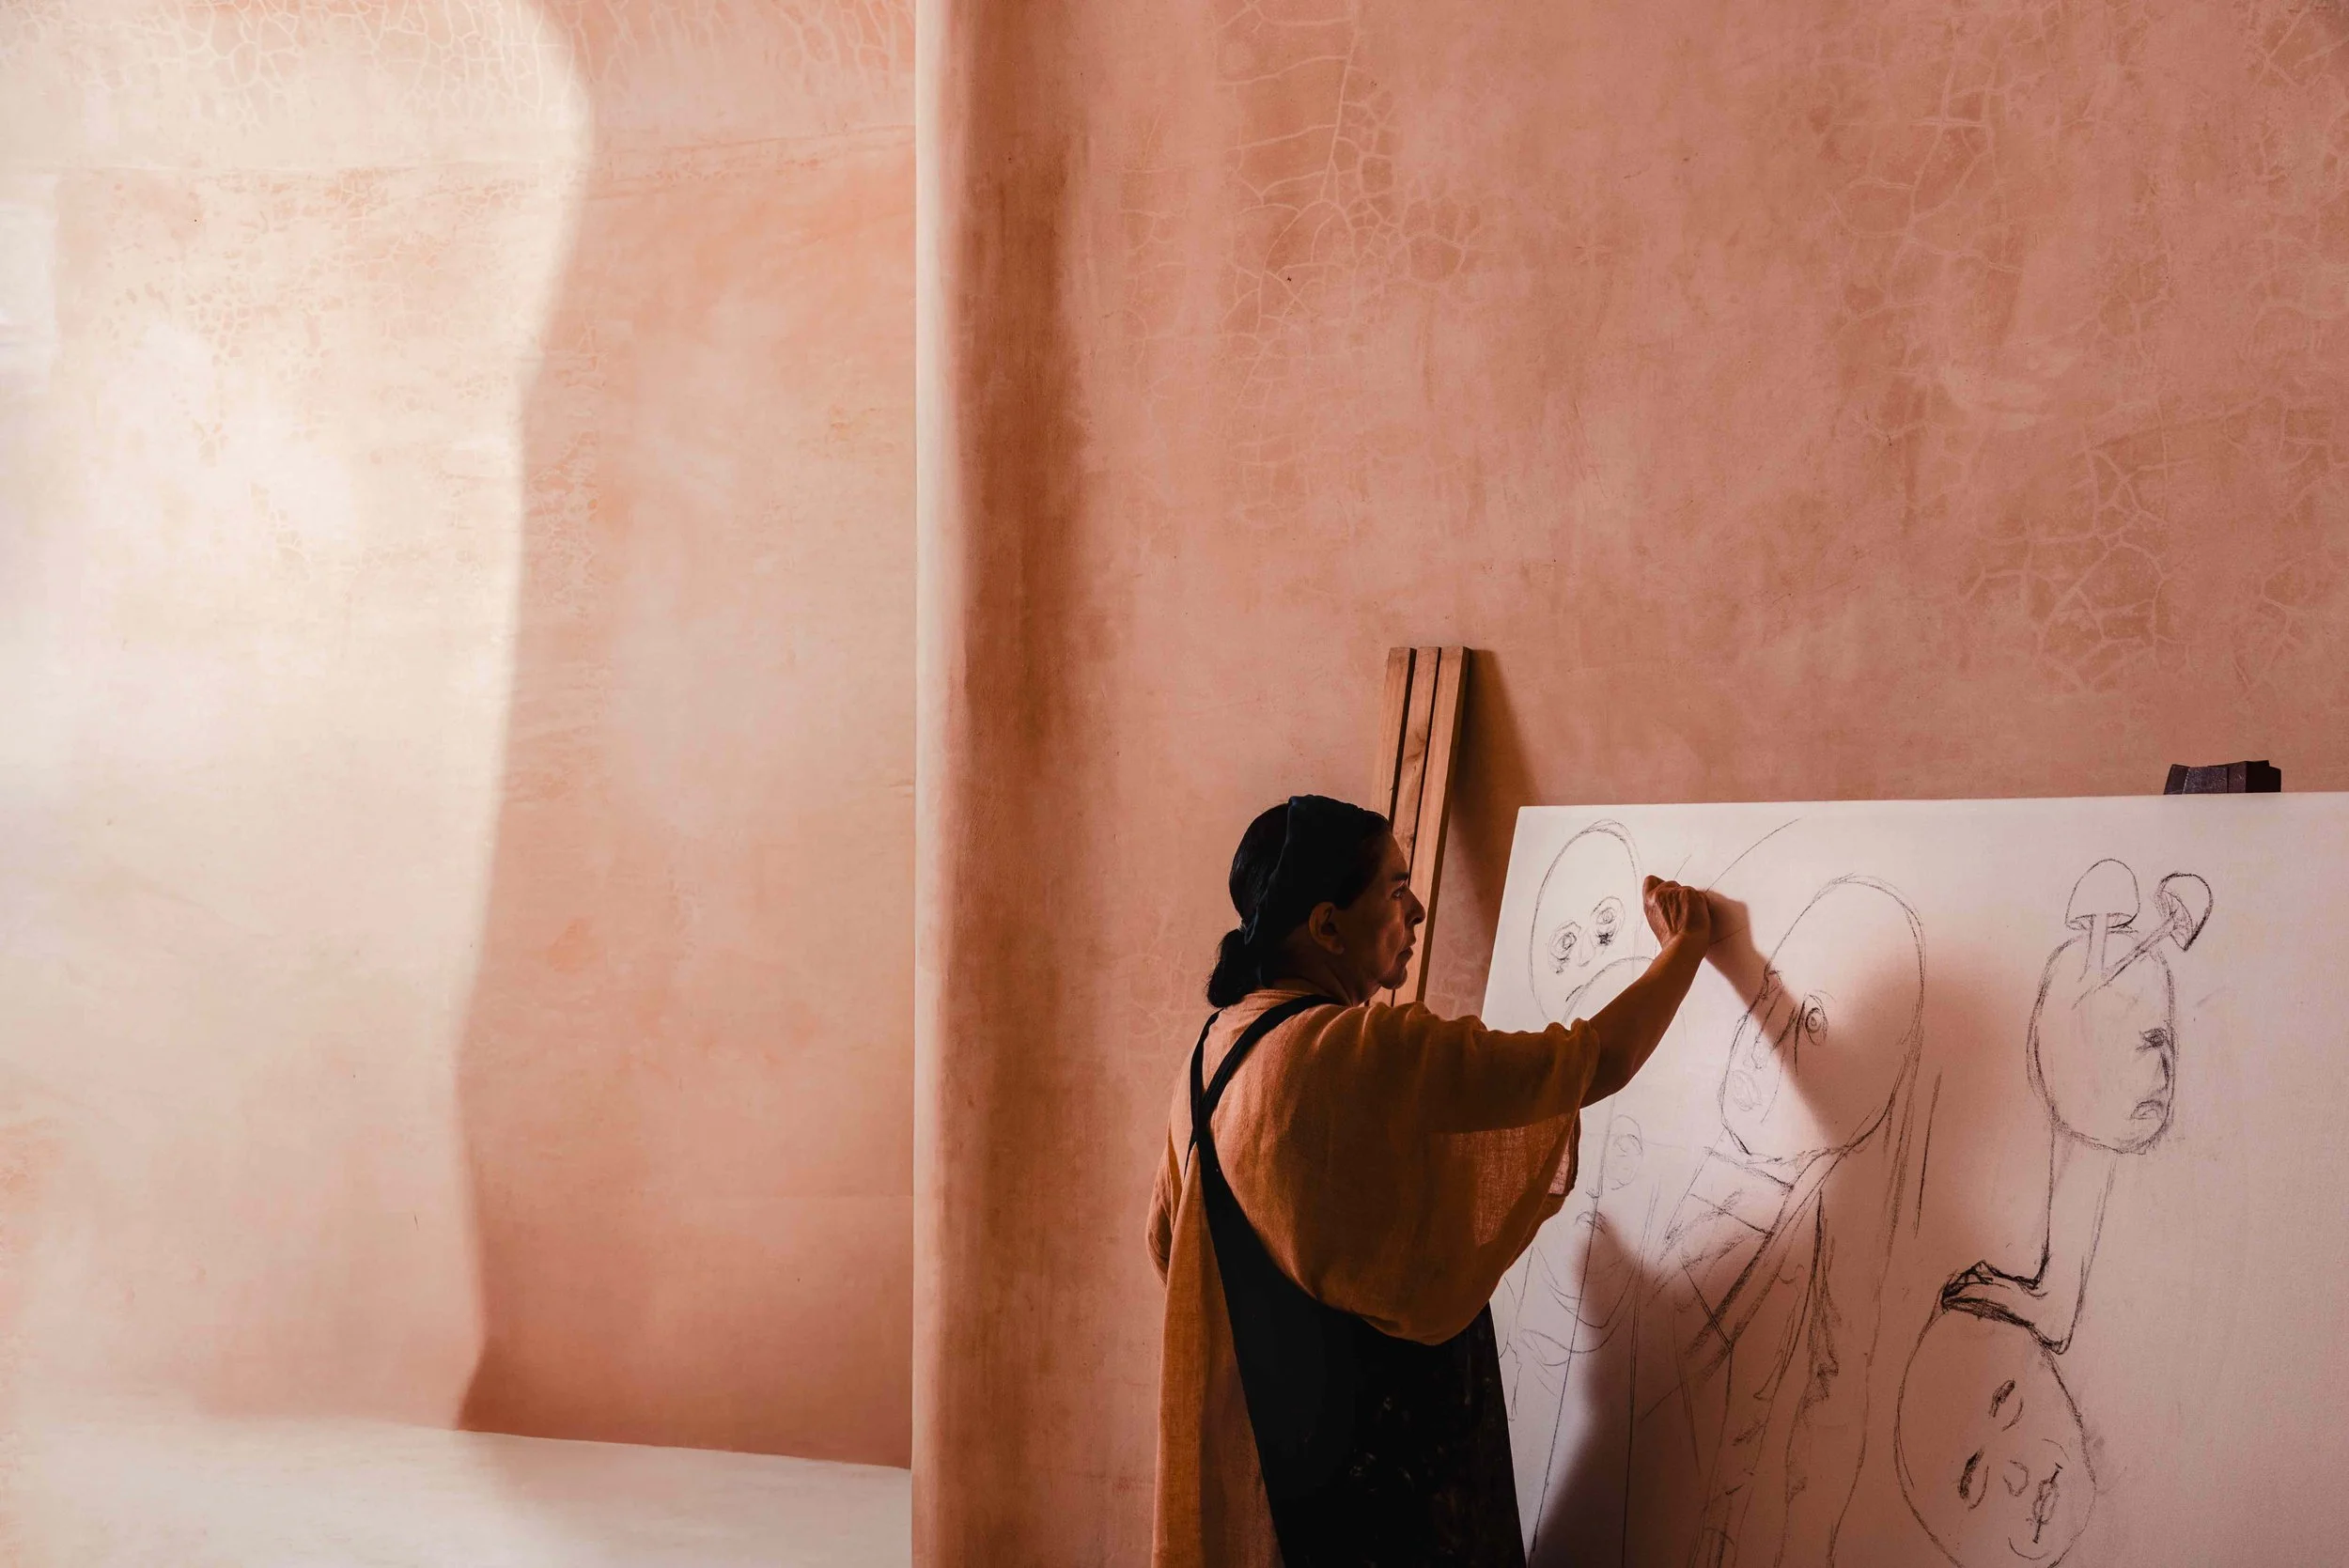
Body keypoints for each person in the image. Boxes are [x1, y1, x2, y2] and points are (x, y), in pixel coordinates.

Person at [1147, 795, 1716, 1567]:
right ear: (1326, 926)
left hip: (1268, 1481)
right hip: (1384, 1503)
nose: (1415, 910)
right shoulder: (1354, 1052)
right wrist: (1684, 947)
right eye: (1393, 888)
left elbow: (1167, 1245)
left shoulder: (1207, 1055)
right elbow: (1587, 1063)